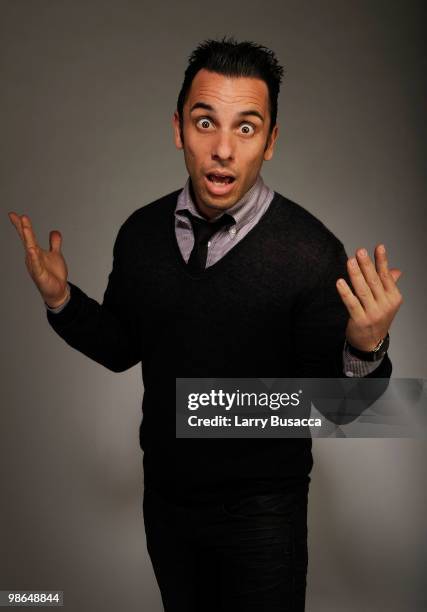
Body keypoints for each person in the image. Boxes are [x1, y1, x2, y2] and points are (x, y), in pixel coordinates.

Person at [9, 36, 403, 612]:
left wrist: (366, 347)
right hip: (165, 502)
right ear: (178, 129)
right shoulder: (140, 234)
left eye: (246, 128)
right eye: (204, 122)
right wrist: (63, 299)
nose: (222, 149)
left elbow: (340, 409)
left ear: (270, 141)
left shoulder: (310, 252)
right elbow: (123, 348)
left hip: (264, 513)